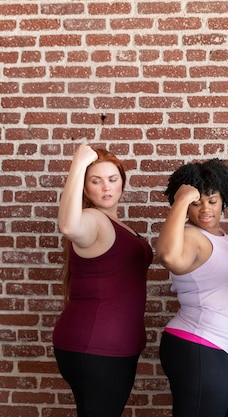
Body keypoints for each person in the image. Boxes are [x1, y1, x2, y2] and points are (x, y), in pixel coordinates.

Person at [53, 144, 153, 417]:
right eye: (95, 181)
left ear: (122, 182)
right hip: (95, 346)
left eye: (112, 179)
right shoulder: (91, 218)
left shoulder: (119, 224)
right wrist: (78, 163)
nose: (106, 187)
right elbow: (68, 226)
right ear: (85, 189)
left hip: (112, 345)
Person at [156, 159, 228, 417]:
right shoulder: (190, 237)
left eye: (212, 201)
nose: (205, 209)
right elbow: (168, 256)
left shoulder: (220, 236)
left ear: (224, 199)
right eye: (196, 202)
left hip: (223, 348)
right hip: (198, 345)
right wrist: (181, 199)